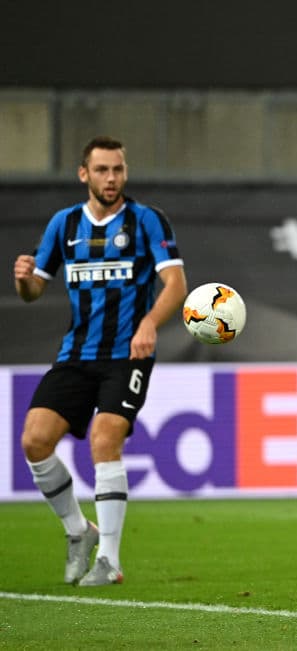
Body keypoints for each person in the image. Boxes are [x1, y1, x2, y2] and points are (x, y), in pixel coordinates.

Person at [14, 136, 188, 586]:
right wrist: (23, 281)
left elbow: (175, 283)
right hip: (76, 354)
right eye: (103, 170)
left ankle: (109, 560)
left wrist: (149, 323)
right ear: (84, 174)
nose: (112, 178)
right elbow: (35, 290)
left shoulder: (147, 220)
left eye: (118, 170)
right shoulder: (64, 224)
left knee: (104, 438)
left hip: (127, 354)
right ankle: (79, 532)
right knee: (34, 441)